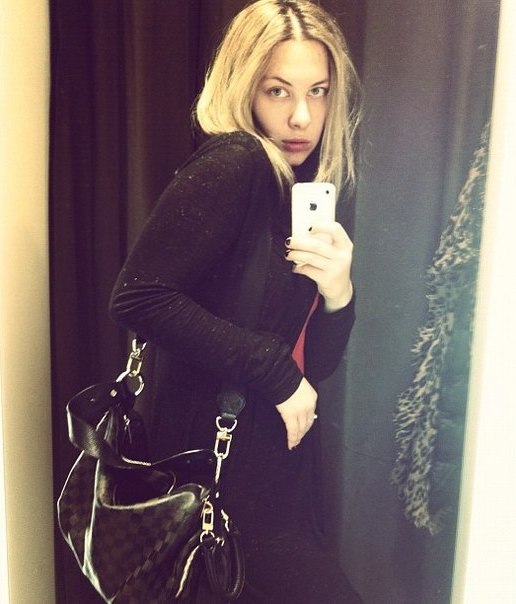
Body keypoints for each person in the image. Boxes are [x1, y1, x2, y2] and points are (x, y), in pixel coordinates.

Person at [109, 1, 363, 601]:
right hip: (221, 470)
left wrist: (338, 294)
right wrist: (273, 371)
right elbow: (139, 296)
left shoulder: (296, 186)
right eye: (278, 91)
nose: (302, 116)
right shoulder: (237, 162)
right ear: (244, 87)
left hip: (272, 471)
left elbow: (318, 365)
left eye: (318, 91)